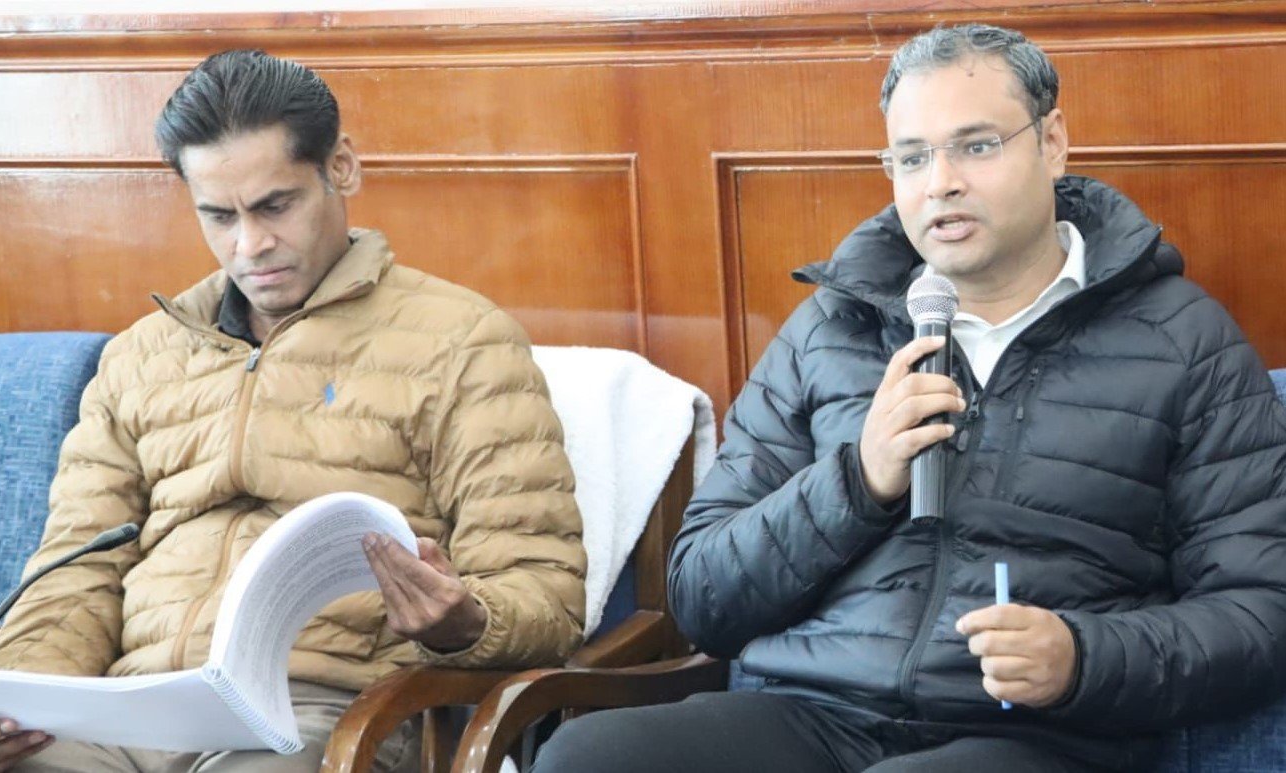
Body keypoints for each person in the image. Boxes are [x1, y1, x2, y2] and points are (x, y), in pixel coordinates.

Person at [533, 23, 1286, 773]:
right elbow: (702, 596)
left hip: (1034, 736)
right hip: (813, 712)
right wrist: (857, 480)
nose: (940, 183)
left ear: (1051, 142)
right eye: (913, 156)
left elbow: (1260, 611)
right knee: (587, 756)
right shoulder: (827, 329)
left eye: (976, 146)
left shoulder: (1181, 339)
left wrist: (1083, 656)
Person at [0, 49, 586, 773]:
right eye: (218, 216)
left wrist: (462, 620)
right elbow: (74, 571)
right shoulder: (141, 356)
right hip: (130, 707)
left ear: (341, 168)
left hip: (329, 711)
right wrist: (11, 702)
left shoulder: (463, 341)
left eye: (275, 206)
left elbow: (543, 593)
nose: (250, 245)